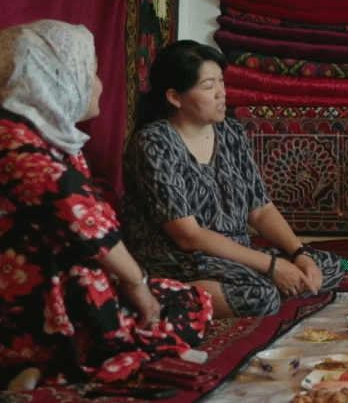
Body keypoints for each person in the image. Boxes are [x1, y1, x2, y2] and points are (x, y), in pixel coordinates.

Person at [0, 20, 212, 386]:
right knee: (168, 307)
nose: (98, 84)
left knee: (185, 298)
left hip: (63, 278)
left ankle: (37, 363)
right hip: (38, 294)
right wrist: (137, 284)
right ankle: (53, 358)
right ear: (56, 80)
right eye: (90, 73)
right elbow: (88, 227)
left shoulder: (40, 135)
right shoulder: (19, 147)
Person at [120, 40, 344, 318]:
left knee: (326, 265)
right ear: (175, 97)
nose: (221, 94)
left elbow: (260, 210)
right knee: (260, 295)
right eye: (208, 86)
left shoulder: (230, 131)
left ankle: (267, 288)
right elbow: (188, 236)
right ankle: (160, 292)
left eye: (221, 83)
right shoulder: (154, 143)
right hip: (180, 257)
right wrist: (272, 267)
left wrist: (299, 253)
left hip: (234, 253)